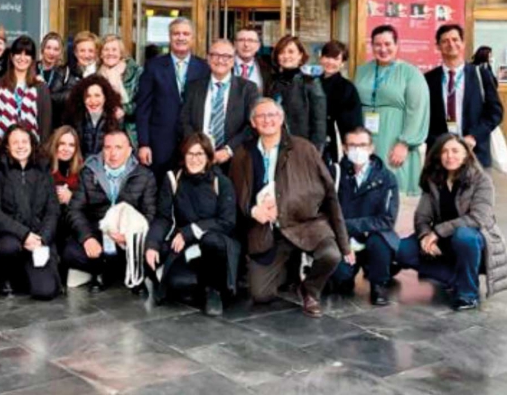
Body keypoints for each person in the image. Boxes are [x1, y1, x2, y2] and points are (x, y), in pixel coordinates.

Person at [230, 98, 351, 318]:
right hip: (269, 231)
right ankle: (290, 269)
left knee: (331, 255)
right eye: (261, 116)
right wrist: (252, 211)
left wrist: (344, 243)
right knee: (261, 294)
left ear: (282, 119)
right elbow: (237, 196)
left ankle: (310, 290)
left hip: (306, 224)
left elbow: (329, 193)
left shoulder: (304, 148)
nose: (267, 120)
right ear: (253, 122)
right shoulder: (243, 154)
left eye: (272, 115)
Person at [396, 134, 507, 310]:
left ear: (466, 155)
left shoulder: (481, 180)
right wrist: (425, 235)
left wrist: (437, 232)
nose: (449, 156)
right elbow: (422, 217)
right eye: (444, 151)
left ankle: (468, 294)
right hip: (443, 240)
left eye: (455, 151)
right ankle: (457, 278)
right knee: (401, 250)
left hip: (475, 239)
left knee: (463, 236)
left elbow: (479, 218)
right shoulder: (434, 179)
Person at [145, 133, 239, 315]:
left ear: (209, 157)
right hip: (185, 244)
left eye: (200, 154)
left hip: (215, 244)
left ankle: (213, 290)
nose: (195, 159)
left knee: (211, 241)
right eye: (190, 154)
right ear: (183, 156)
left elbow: (227, 222)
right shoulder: (173, 179)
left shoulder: (221, 182)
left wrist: (189, 231)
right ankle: (196, 282)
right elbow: (163, 217)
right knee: (176, 284)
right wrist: (152, 244)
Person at [64, 130, 157, 293]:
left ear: (129, 151)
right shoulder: (89, 172)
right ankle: (106, 269)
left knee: (155, 248)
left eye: (118, 147)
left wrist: (130, 235)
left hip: (129, 236)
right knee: (70, 252)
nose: (112, 153)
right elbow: (74, 210)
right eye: (107, 147)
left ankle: (116, 269)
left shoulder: (144, 175)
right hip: (99, 232)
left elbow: (150, 213)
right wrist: (87, 238)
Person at [0, 124, 61, 299]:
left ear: (32, 144)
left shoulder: (43, 170)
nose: (20, 146)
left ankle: (27, 276)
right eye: (15, 142)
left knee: (46, 291)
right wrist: (24, 234)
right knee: (9, 247)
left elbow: (53, 211)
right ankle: (4, 278)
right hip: (9, 236)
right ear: (7, 146)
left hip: (38, 238)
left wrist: (42, 238)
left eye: (24, 141)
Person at [327, 127, 399, 306]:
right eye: (352, 145)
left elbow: (387, 219)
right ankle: (346, 276)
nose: (357, 150)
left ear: (371, 148)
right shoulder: (334, 173)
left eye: (362, 145)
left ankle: (379, 284)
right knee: (340, 282)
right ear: (344, 148)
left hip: (372, 237)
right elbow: (324, 212)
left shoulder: (386, 178)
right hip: (344, 241)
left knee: (380, 240)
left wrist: (347, 226)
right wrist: (344, 238)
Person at [355, 25, 430, 195]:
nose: (383, 49)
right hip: (366, 140)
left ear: (397, 45)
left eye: (388, 44)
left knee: (392, 193)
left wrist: (404, 143)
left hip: (394, 141)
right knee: (365, 191)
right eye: (377, 44)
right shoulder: (362, 70)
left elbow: (417, 111)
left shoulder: (411, 73)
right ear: (371, 46)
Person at [136, 17, 210, 178]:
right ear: (169, 37)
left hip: (193, 143)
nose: (181, 37)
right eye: (176, 33)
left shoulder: (204, 67)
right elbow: (143, 108)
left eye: (185, 33)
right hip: (159, 144)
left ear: (192, 38)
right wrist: (144, 144)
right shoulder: (153, 66)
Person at [425, 24, 504, 169]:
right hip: (442, 157)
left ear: (463, 43)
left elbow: (495, 112)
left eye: (455, 39)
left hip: (475, 154)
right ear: (438, 46)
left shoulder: (481, 75)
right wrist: (440, 143)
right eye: (445, 41)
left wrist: (474, 136)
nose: (451, 44)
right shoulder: (429, 79)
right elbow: (424, 118)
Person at [181, 39, 259, 168]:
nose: (220, 60)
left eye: (226, 56)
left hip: (234, 159)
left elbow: (251, 125)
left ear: (233, 60)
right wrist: (198, 147)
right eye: (215, 55)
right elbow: (184, 120)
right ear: (208, 58)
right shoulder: (193, 87)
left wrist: (228, 150)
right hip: (198, 158)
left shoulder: (247, 89)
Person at [0, 36, 52, 148]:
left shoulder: (40, 87)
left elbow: (45, 125)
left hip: (29, 150)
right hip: (0, 148)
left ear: (32, 59)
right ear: (11, 56)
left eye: (27, 54)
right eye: (18, 53)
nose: (22, 58)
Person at [266, 35, 327, 152]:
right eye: (282, 52)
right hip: (274, 147)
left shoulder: (311, 83)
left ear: (300, 55)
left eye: (291, 51)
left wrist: (315, 154)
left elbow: (319, 124)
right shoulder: (272, 83)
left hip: (301, 149)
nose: (286, 56)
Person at [319, 40, 364, 163]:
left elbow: (353, 123)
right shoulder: (312, 83)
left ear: (343, 63)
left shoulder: (347, 88)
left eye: (336, 59)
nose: (330, 62)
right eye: (327, 57)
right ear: (321, 58)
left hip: (336, 143)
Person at [98, 35, 142, 144]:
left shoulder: (136, 72)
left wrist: (124, 110)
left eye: (114, 49)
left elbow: (142, 103)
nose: (110, 53)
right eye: (106, 49)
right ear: (101, 54)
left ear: (121, 53)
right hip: (103, 131)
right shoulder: (96, 75)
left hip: (130, 132)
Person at [67, 75, 124, 158]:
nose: (93, 101)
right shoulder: (75, 117)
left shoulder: (116, 117)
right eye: (88, 96)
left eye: (97, 95)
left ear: (105, 97)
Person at [38, 31, 78, 126]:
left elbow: (68, 96)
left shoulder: (66, 72)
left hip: (56, 124)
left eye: (56, 49)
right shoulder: (31, 69)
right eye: (48, 48)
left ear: (60, 52)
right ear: (42, 49)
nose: (52, 52)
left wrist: (45, 96)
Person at [46, 126, 84, 210]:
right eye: (62, 143)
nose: (66, 149)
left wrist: (71, 197)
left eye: (71, 145)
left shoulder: (82, 170)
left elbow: (87, 203)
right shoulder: (44, 166)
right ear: (55, 145)